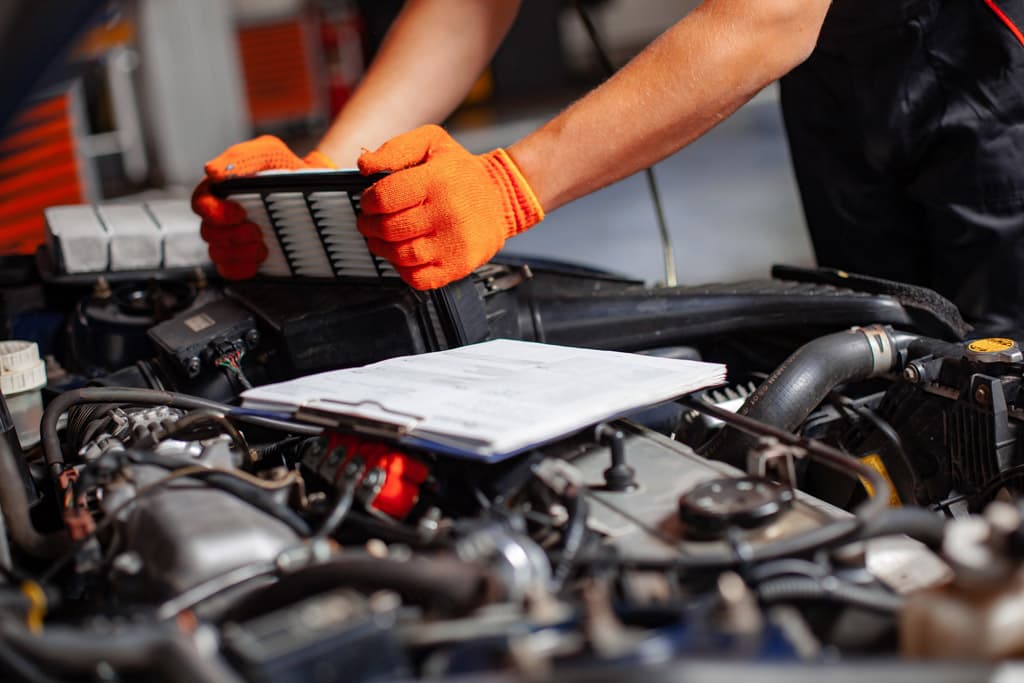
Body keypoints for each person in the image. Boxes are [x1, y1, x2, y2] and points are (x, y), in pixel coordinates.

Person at [192, 0, 1024, 332]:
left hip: (988, 55)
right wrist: (315, 181)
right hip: (836, 70)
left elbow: (772, 11)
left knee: (1007, 371)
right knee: (907, 349)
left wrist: (511, 184)